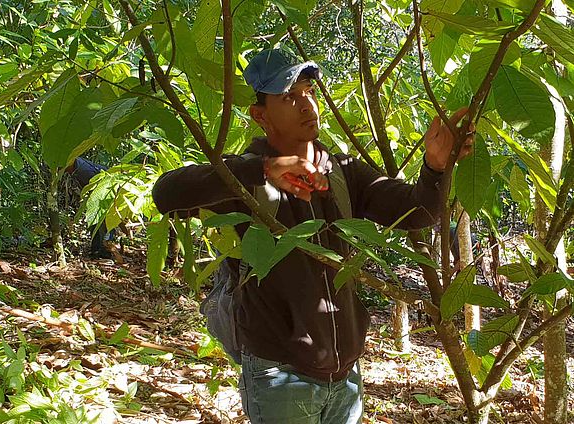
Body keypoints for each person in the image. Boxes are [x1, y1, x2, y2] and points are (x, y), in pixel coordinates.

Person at [152, 48, 473, 423]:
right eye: (289, 97)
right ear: (260, 115)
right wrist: (262, 170)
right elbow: (167, 194)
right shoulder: (242, 180)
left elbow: (415, 212)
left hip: (345, 375)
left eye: (309, 91)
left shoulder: (342, 171)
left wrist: (434, 168)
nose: (306, 105)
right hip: (280, 373)